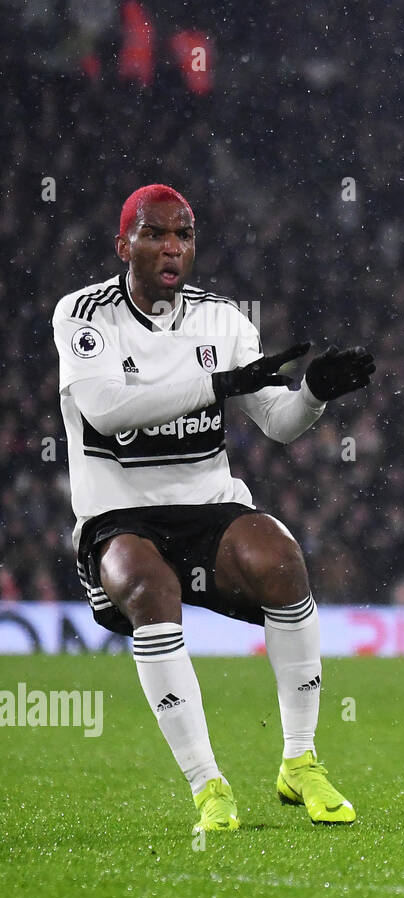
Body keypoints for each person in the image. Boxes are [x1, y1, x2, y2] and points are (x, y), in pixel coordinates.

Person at [54, 184, 375, 832]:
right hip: (118, 514)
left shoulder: (223, 320)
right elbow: (106, 411)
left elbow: (277, 421)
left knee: (282, 559)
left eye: (184, 234)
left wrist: (313, 392)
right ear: (125, 245)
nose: (172, 247)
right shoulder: (82, 314)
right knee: (147, 584)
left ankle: (300, 761)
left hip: (205, 504)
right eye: (155, 234)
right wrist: (216, 384)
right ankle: (210, 786)